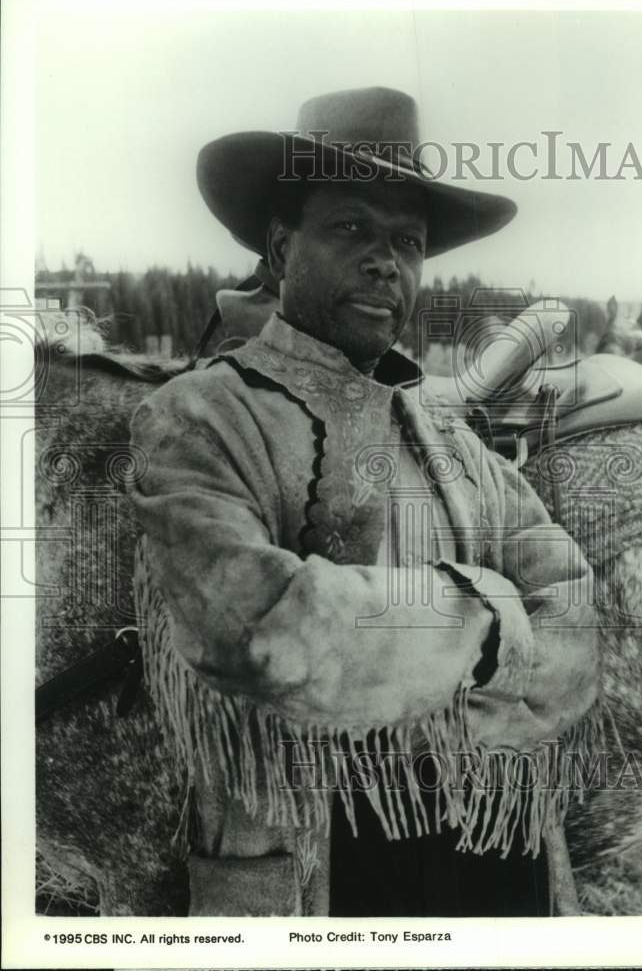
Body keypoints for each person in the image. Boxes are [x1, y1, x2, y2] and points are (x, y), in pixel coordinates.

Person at [128, 87, 601, 917]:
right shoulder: (203, 415)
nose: (388, 262)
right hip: (321, 862)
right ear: (281, 249)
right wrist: (488, 626)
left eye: (408, 242)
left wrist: (462, 679)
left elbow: (570, 600)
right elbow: (258, 630)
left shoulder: (448, 439)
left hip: (492, 840)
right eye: (351, 228)